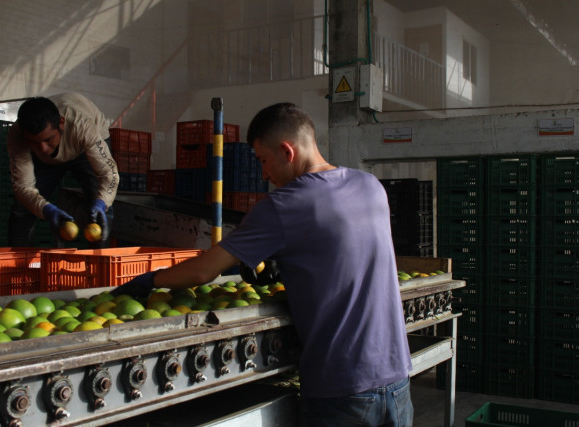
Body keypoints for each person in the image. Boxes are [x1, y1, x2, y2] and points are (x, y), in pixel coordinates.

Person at [111, 102, 413, 426]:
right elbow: (340, 251)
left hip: (341, 388)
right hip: (397, 378)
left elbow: (203, 270)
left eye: (263, 161)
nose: (265, 174)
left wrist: (149, 282)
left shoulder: (283, 206)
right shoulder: (370, 186)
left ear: (287, 151)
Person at [7, 92, 119, 248]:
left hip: (83, 147)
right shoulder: (17, 135)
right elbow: (23, 187)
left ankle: (98, 265)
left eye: (48, 139)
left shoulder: (82, 127)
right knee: (22, 209)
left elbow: (109, 174)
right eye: (35, 143)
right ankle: (17, 266)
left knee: (101, 211)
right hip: (44, 163)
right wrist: (46, 209)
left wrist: (101, 203)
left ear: (61, 123)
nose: (43, 149)